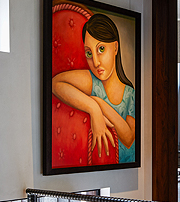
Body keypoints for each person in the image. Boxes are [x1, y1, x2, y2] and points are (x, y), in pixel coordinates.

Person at [52, 13, 136, 163]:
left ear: (115, 47)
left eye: (101, 49)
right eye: (89, 53)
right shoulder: (93, 81)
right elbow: (55, 84)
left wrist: (100, 103)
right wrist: (93, 108)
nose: (95, 62)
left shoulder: (129, 93)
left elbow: (129, 138)